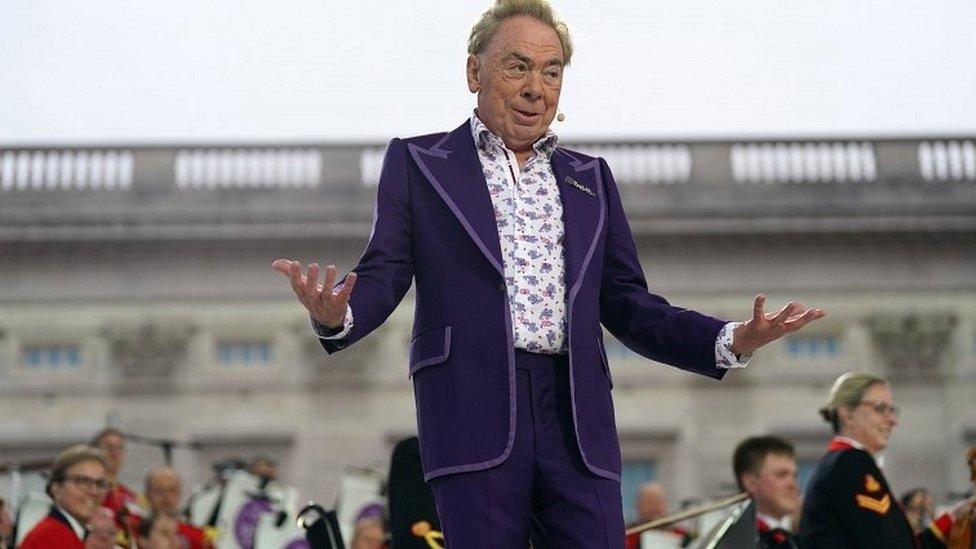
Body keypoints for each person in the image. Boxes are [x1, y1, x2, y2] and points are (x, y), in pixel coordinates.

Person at [273, 0, 824, 545]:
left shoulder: (592, 178)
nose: (537, 86)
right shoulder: (418, 163)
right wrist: (339, 313)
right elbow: (386, 271)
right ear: (474, 71)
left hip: (576, 416)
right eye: (518, 67)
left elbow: (628, 302)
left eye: (552, 71)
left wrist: (731, 337)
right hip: (471, 408)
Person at [798, 372, 971, 548]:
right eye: (880, 409)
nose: (893, 420)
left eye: (892, 410)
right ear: (848, 414)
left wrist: (954, 517)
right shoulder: (850, 463)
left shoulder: (841, 463)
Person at [19, 445, 116, 549]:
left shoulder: (70, 534)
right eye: (82, 481)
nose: (94, 491)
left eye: (100, 483)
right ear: (57, 489)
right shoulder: (48, 538)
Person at [733, 436, 801, 548]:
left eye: (794, 475)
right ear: (750, 482)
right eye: (781, 475)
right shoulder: (739, 541)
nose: (793, 484)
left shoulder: (798, 535)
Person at [92, 426, 145, 542]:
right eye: (108, 447)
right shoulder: (90, 493)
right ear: (94, 452)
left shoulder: (133, 497)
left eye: (119, 448)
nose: (114, 452)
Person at [144, 466, 213, 549]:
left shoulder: (200, 538)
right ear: (147, 494)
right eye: (159, 490)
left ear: (180, 493)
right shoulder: (132, 532)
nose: (166, 496)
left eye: (172, 490)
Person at [624, 482, 690, 549]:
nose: (654, 506)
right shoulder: (628, 534)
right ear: (638, 505)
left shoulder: (681, 535)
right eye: (649, 501)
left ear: (666, 504)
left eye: (658, 501)